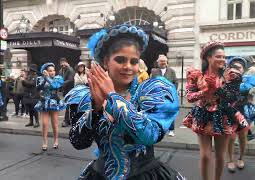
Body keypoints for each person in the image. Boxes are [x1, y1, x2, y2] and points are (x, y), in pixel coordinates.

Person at [65, 25, 185, 180]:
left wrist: (112, 97)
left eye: (134, 61)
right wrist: (96, 109)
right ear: (106, 62)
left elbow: (150, 135)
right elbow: (78, 142)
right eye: (120, 60)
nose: (128, 66)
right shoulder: (87, 95)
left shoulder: (150, 92)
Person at [183, 41, 248, 180]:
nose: (222, 60)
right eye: (218, 56)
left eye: (224, 57)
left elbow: (233, 98)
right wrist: (205, 91)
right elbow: (189, 97)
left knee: (220, 155)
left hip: (223, 115)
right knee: (205, 156)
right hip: (202, 115)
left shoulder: (231, 75)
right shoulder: (196, 75)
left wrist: (218, 89)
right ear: (208, 57)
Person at [225, 57, 250, 172]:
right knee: (231, 137)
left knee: (242, 137)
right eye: (233, 67)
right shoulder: (226, 81)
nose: (235, 70)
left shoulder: (248, 80)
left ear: (243, 70)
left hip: (244, 112)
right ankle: (230, 160)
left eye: (238, 67)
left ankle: (240, 158)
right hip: (230, 112)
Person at [35, 62, 65, 151]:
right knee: (44, 124)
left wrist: (47, 77)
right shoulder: (40, 78)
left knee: (55, 124)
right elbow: (38, 88)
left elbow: (55, 86)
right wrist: (44, 78)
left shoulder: (58, 78)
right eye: (50, 71)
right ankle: (45, 142)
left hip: (54, 102)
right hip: (44, 102)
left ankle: (56, 140)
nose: (52, 72)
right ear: (45, 71)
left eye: (53, 70)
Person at [151, 55, 178, 136]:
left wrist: (172, 91)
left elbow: (176, 82)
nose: (163, 63)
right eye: (161, 61)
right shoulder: (154, 71)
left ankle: (171, 130)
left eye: (164, 61)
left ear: (167, 62)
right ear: (158, 62)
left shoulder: (171, 71)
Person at [59, 57, 75, 127]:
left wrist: (61, 83)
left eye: (64, 63)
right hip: (65, 91)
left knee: (69, 106)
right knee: (68, 106)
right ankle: (69, 120)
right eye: (61, 63)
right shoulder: (60, 71)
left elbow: (71, 79)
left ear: (66, 63)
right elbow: (59, 78)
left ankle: (66, 120)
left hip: (71, 90)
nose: (63, 65)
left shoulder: (70, 69)